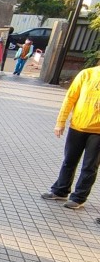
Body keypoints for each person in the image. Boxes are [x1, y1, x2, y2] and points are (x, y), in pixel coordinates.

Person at [40, 66, 100, 210]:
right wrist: (60, 122)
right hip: (77, 126)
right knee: (69, 161)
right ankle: (60, 190)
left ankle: (79, 197)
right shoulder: (87, 74)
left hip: (98, 132)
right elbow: (70, 98)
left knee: (89, 166)